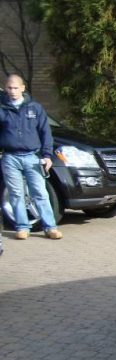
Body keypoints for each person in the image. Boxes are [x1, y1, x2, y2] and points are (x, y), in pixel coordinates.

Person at [0, 74, 62, 240]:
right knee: (16, 194)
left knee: (40, 193)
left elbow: (45, 132)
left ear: (22, 88)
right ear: (6, 89)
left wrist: (47, 155)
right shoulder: (2, 109)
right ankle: (22, 227)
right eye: (9, 88)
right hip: (10, 158)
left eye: (15, 88)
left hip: (32, 157)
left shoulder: (34, 108)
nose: (12, 91)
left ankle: (50, 227)